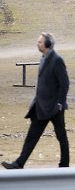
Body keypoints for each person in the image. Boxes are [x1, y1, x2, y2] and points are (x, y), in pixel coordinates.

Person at [2, 33, 69, 169]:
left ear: (48, 44)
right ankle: (19, 163)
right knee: (32, 136)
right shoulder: (44, 59)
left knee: (61, 136)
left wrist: (60, 103)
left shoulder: (56, 60)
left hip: (55, 107)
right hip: (42, 106)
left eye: (40, 42)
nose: (37, 44)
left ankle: (64, 165)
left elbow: (64, 83)